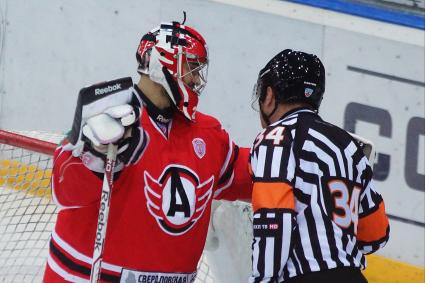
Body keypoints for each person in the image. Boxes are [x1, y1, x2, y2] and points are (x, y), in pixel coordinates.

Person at [43, 21, 252, 282]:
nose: (197, 78)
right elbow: (63, 191)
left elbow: (250, 173)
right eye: (191, 67)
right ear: (163, 62)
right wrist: (92, 155)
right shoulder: (108, 114)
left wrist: (289, 159)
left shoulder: (207, 134)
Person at [248, 49, 390, 283]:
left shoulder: (276, 138)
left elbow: (274, 222)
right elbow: (377, 234)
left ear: (270, 95)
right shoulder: (348, 146)